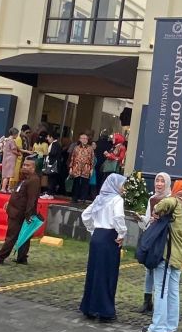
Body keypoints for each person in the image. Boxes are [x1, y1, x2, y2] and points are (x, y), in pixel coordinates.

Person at [143, 179, 182, 332]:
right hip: (178, 256)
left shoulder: (176, 201)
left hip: (166, 255)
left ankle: (157, 329)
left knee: (161, 290)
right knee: (173, 292)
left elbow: (164, 203)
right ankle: (171, 327)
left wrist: (156, 210)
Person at [78, 173, 127, 321]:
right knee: (107, 274)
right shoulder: (116, 200)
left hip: (97, 237)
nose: (123, 188)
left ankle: (89, 307)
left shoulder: (100, 198)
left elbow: (85, 215)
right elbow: (118, 217)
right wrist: (121, 234)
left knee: (93, 272)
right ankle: (104, 310)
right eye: (122, 184)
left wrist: (93, 230)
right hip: (108, 238)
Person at [0, 156, 43, 264]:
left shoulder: (34, 180)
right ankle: (22, 258)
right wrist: (10, 202)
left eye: (27, 165)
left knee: (11, 236)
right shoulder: (26, 178)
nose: (24, 167)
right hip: (16, 211)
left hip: (20, 213)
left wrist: (29, 215)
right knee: (24, 236)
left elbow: (32, 199)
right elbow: (20, 193)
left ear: (33, 168)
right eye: (24, 165)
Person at [137, 171, 172, 314]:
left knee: (159, 269)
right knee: (148, 269)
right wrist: (142, 219)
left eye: (162, 181)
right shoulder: (152, 199)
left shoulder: (171, 200)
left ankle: (160, 303)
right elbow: (148, 218)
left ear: (168, 183)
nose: (159, 184)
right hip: (152, 236)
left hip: (164, 238)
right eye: (157, 180)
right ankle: (147, 301)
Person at [68, 131, 96, 204]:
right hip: (77, 167)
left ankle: (83, 198)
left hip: (86, 168)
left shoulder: (90, 149)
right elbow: (72, 158)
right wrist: (71, 168)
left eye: (86, 138)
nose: (84, 140)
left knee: (85, 184)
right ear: (80, 139)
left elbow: (92, 159)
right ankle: (74, 198)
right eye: (82, 138)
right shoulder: (76, 148)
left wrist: (91, 169)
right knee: (76, 183)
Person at [0, 127, 22, 193]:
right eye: (17, 134)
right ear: (15, 134)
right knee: (8, 174)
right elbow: (14, 150)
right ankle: (3, 189)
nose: (17, 136)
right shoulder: (11, 141)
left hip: (5, 158)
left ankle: (7, 188)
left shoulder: (5, 140)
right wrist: (19, 154)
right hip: (10, 159)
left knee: (6, 174)